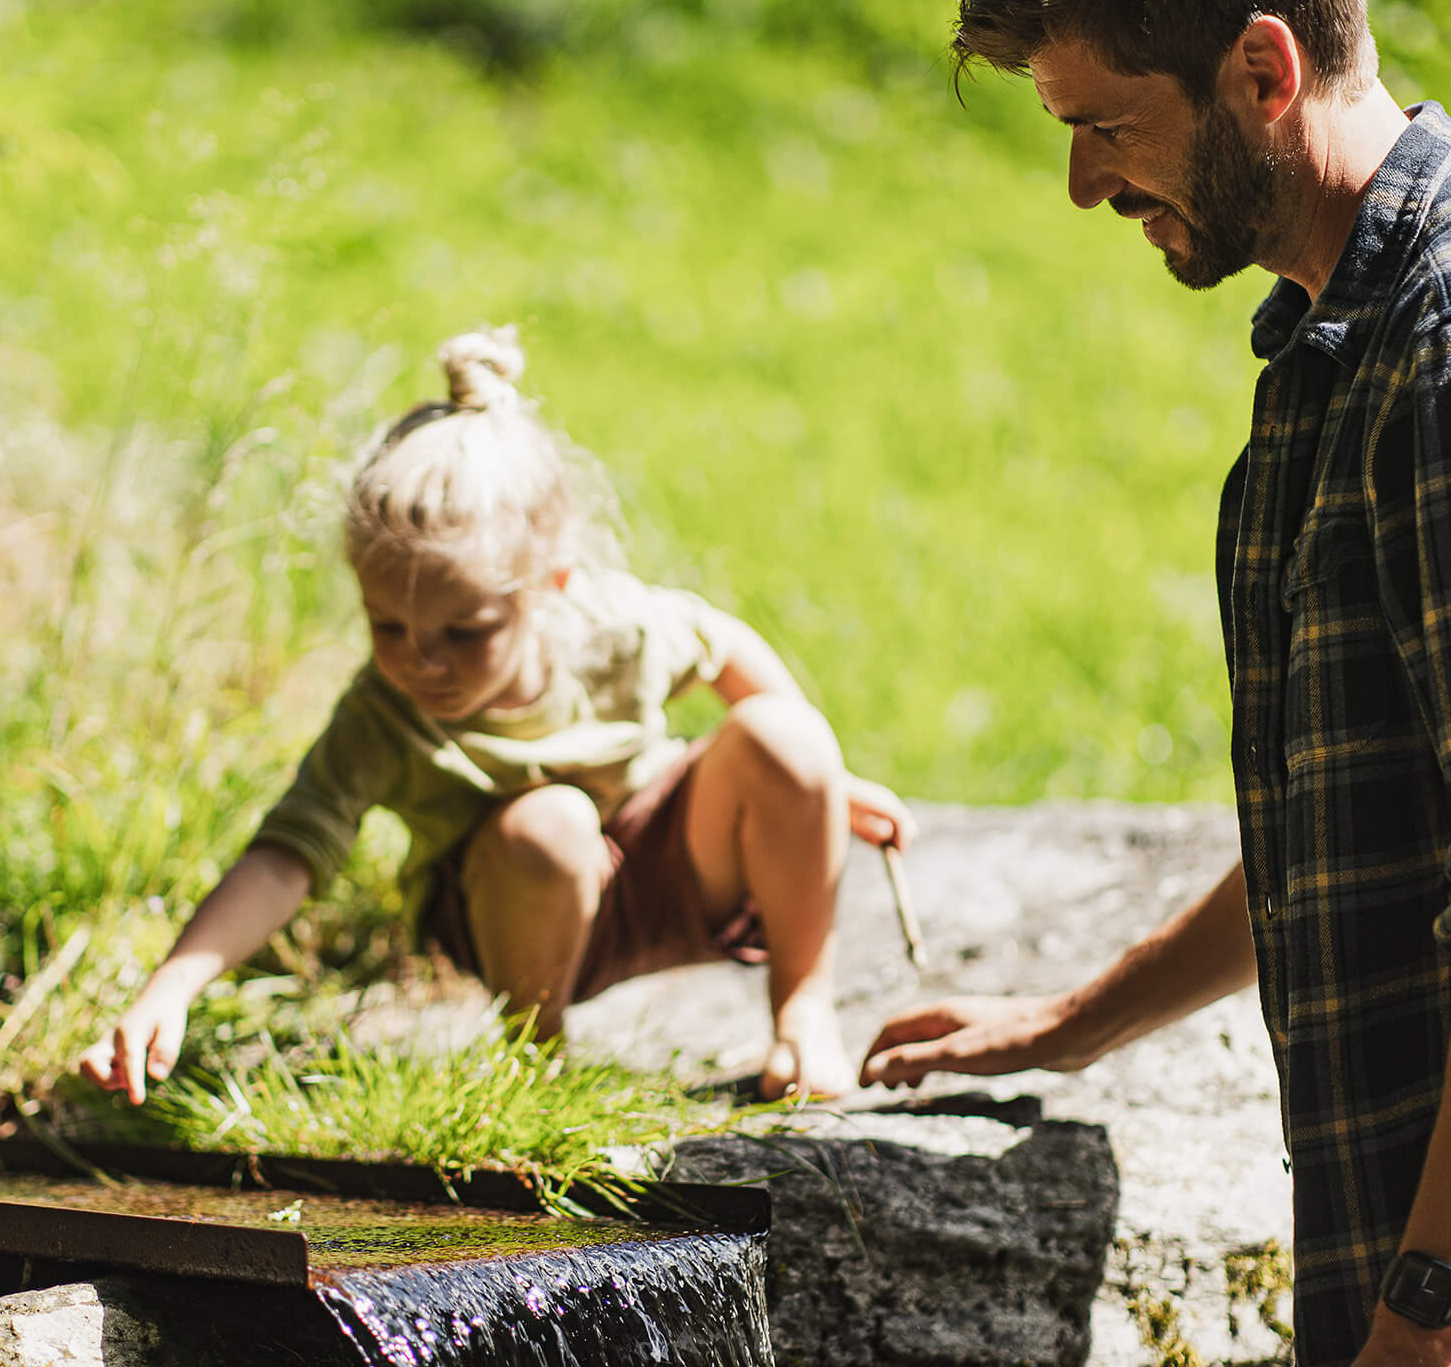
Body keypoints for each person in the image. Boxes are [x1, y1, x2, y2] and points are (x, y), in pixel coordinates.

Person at [860, 0, 1451, 1367]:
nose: (1084, 185)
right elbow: (1342, 827)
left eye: (1109, 128)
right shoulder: (1341, 346)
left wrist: (1420, 1348)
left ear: (1263, 71)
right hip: (1431, 1284)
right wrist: (1073, 1023)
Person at [81, 327, 910, 1107]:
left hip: (665, 875)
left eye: (465, 633)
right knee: (549, 823)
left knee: (787, 736)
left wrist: (824, 785)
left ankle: (803, 1011)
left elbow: (723, 646)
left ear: (550, 585)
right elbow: (286, 857)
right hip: (508, 912)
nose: (421, 662)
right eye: (387, 627)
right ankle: (535, 1057)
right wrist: (173, 987)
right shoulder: (383, 713)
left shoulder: (613, 630)